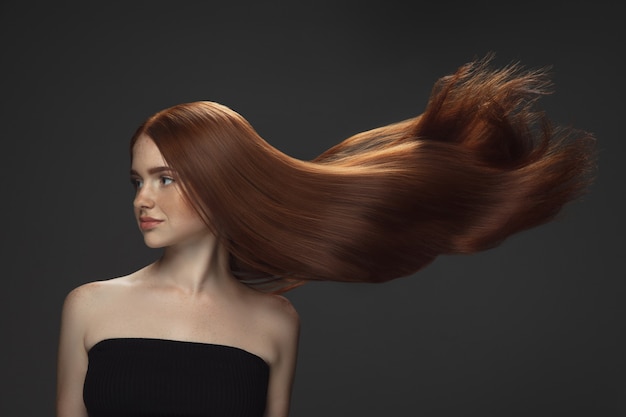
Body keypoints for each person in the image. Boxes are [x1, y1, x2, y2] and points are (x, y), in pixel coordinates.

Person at [56, 56, 596, 417]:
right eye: (138, 180)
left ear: (222, 184)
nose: (142, 200)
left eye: (166, 178)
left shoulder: (274, 322)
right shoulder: (91, 307)